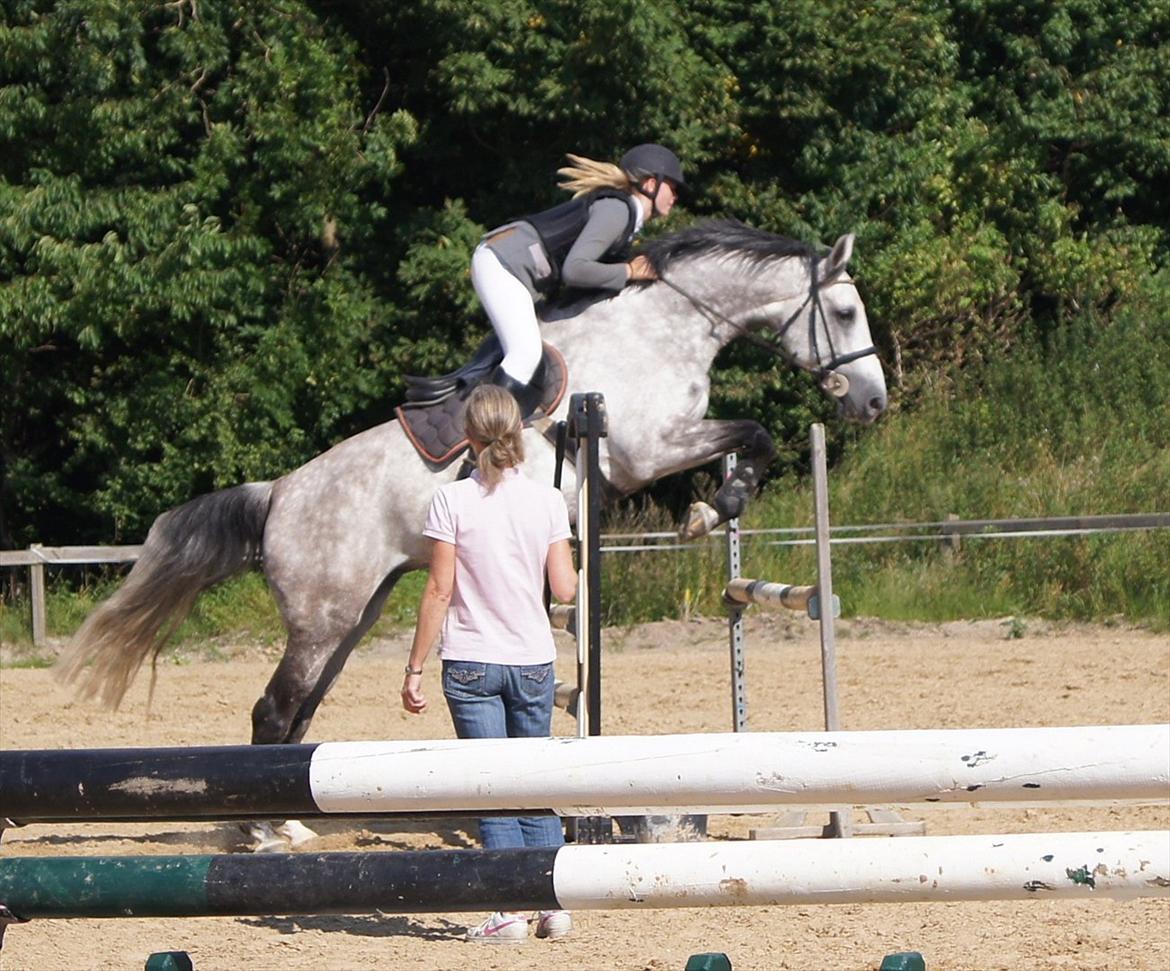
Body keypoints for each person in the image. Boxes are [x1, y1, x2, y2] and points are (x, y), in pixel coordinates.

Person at [401, 383, 578, 943]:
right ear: (518, 435)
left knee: (491, 786)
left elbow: (438, 590)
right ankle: (552, 902)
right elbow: (565, 588)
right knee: (534, 782)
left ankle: (507, 909)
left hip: (473, 660)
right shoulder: (548, 500)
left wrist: (414, 667)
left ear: (468, 437)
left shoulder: (451, 500)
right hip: (532, 660)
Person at [472, 143, 684, 416]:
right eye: (673, 188)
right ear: (652, 184)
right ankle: (484, 438)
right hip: (501, 263)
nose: (676, 196)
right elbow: (575, 269)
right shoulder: (618, 211)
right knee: (525, 355)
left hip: (509, 264)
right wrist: (629, 272)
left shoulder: (625, 217)